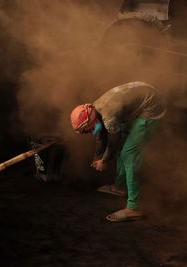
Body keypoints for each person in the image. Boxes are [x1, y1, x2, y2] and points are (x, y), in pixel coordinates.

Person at [70, 81, 166, 222]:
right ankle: (120, 187)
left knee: (129, 154)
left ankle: (134, 208)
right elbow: (100, 134)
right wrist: (97, 157)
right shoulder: (95, 109)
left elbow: (114, 142)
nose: (88, 133)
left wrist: (104, 161)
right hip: (143, 99)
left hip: (152, 108)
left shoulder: (108, 118)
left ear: (90, 122)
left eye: (87, 130)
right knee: (122, 147)